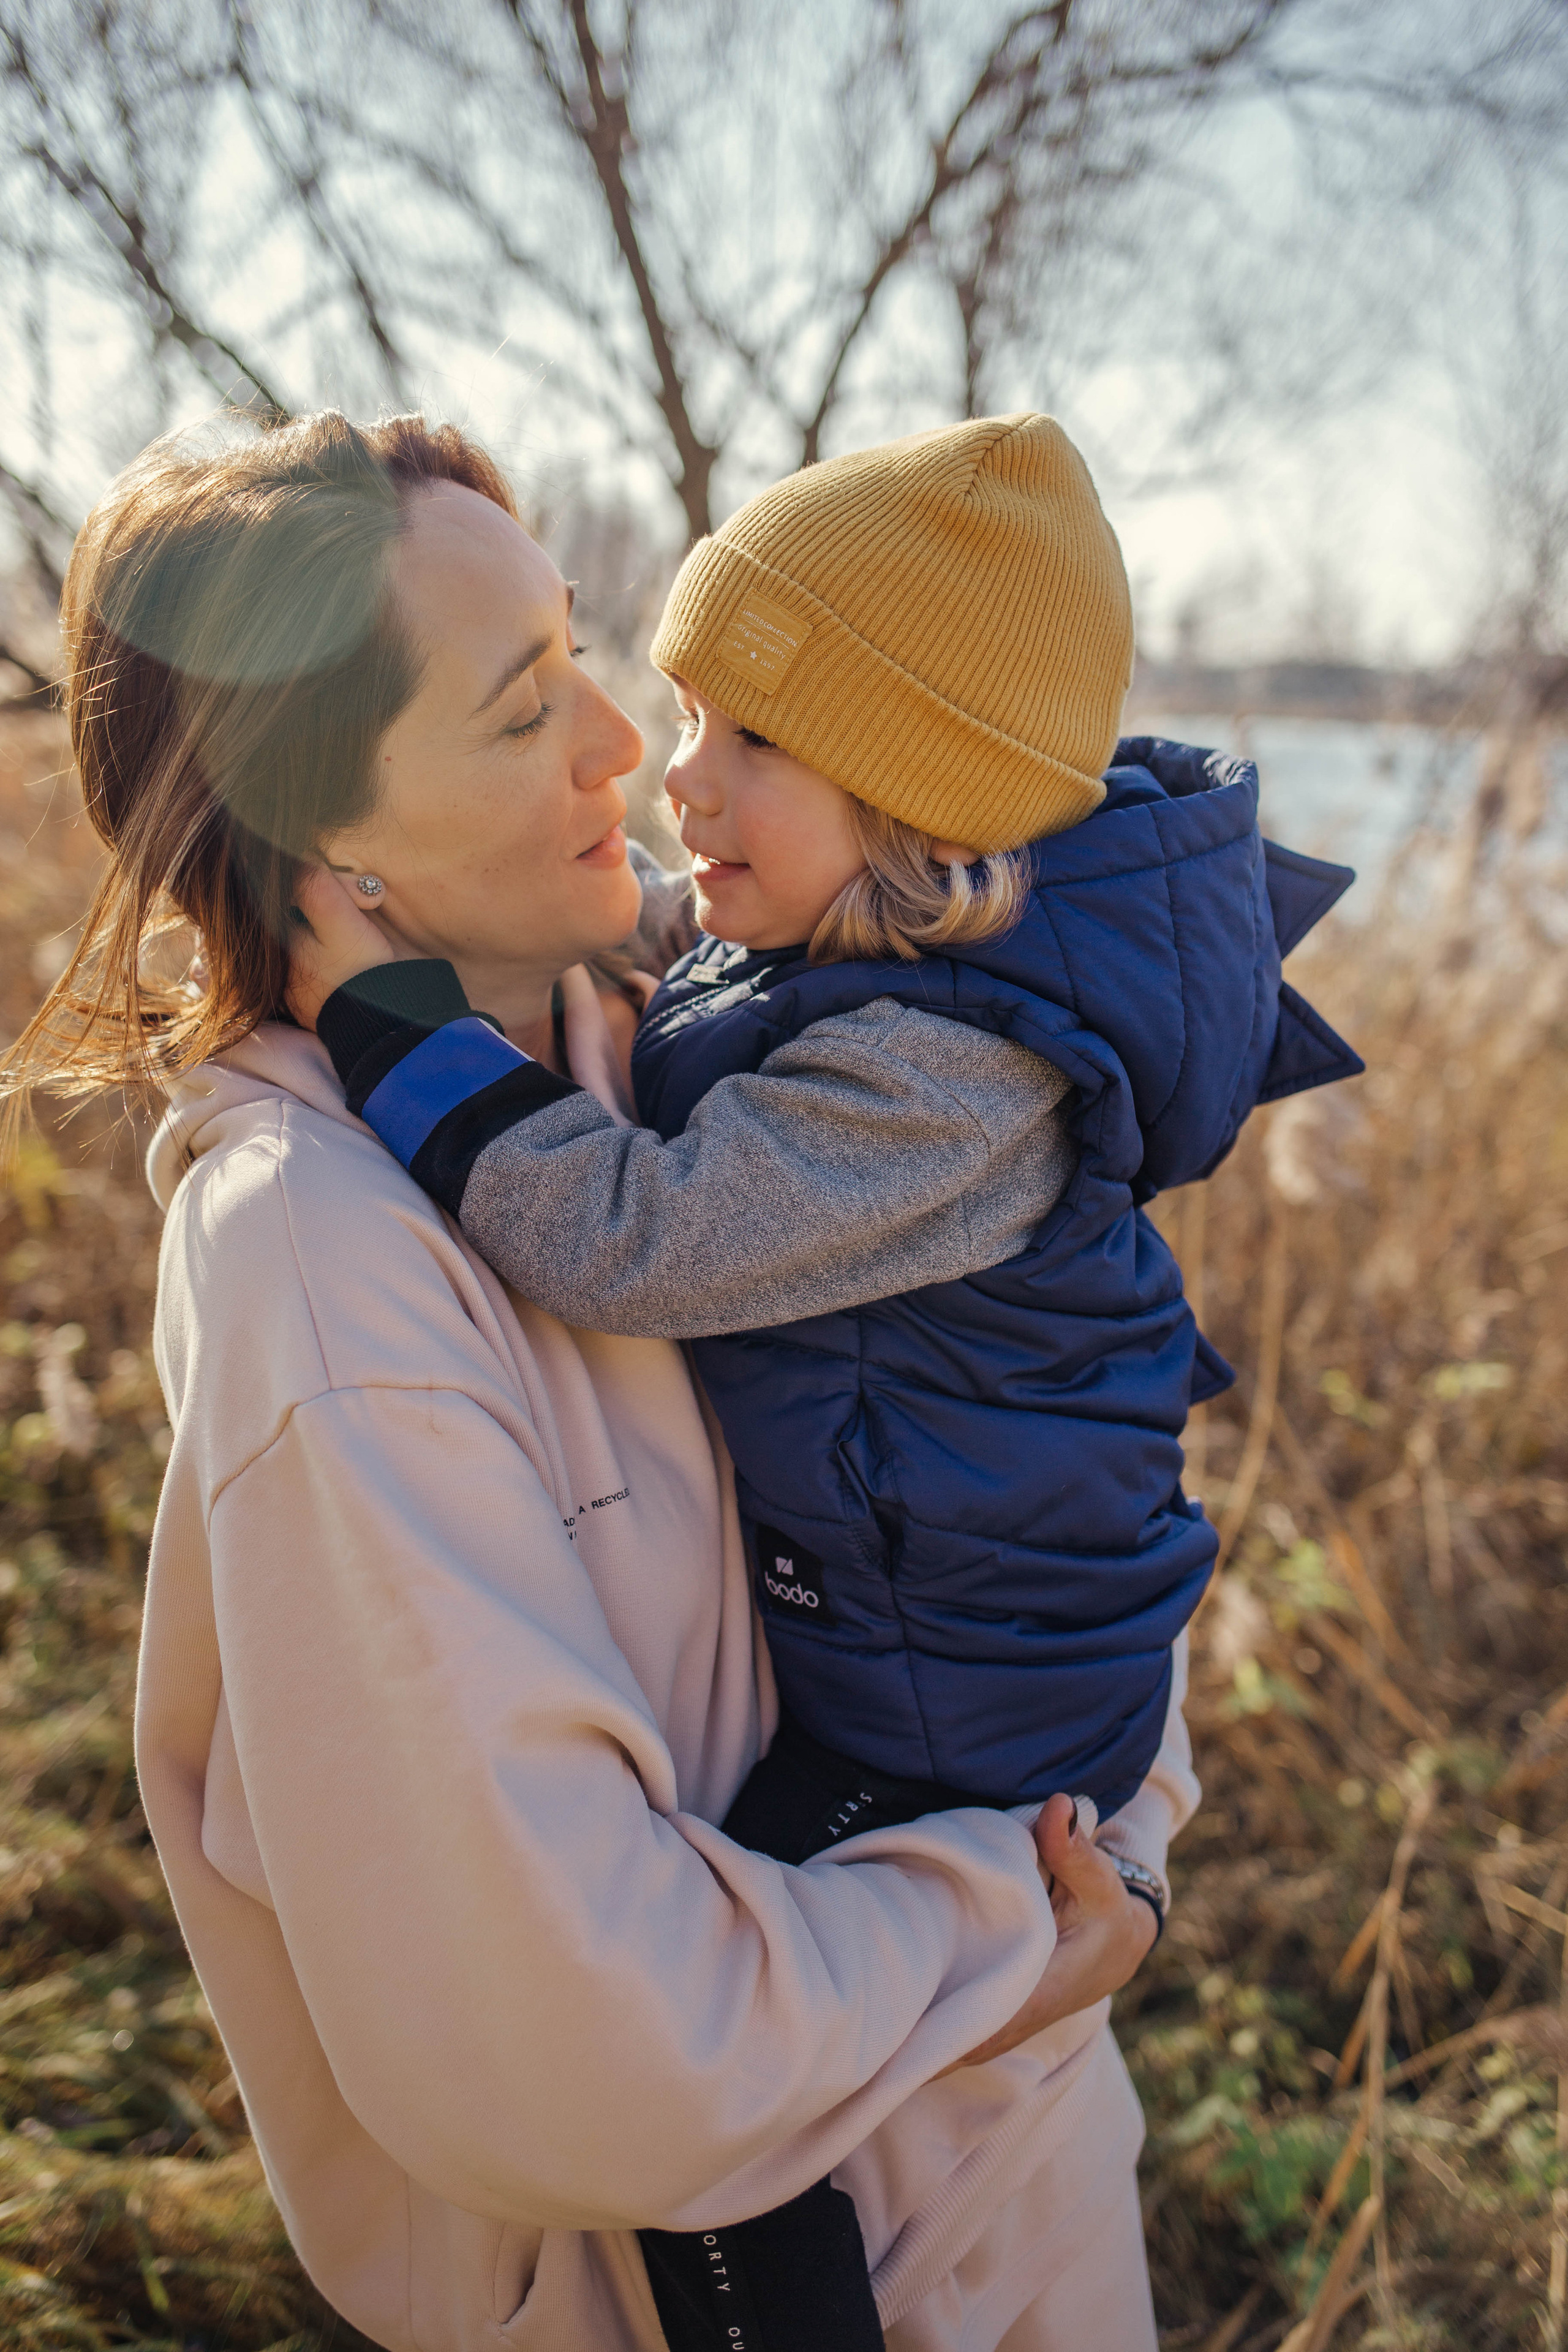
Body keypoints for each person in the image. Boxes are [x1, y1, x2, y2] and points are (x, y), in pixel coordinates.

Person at [1, 408, 1199, 2352]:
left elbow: (1063, 1513)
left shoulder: (716, 1042)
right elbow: (615, 2061)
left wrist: (1120, 1842)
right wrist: (1026, 1925)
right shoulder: (323, 1268)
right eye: (514, 706)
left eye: (578, 647)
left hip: (1036, 2218)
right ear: (323, 834)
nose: (626, 747)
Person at [287, 413, 1363, 2350]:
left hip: (961, 1701)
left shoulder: (941, 1088)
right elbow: (699, 971)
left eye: (747, 744)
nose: (676, 778)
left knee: (707, 2076)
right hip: (968, 1628)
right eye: (686, 717)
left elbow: (633, 1233)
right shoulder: (877, 951)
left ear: (911, 797)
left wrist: (392, 1025)